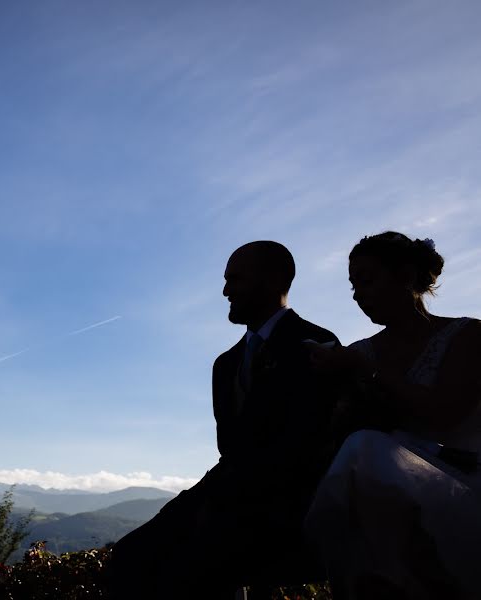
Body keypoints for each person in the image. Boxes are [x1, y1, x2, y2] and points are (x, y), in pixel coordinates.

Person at [108, 241, 342, 598]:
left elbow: (310, 442)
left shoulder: (315, 343)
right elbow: (229, 448)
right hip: (224, 492)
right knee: (126, 557)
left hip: (286, 505)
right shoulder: (226, 364)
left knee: (185, 571)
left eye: (235, 279)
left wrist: (223, 504)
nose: (225, 291)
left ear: (274, 279)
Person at [305, 232, 481, 599]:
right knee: (360, 452)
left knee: (365, 449)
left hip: (464, 485)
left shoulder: (467, 335)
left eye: (367, 281)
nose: (358, 296)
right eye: (353, 286)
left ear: (404, 275)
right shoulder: (360, 351)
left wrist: (364, 370)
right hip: (384, 498)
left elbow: (444, 415)